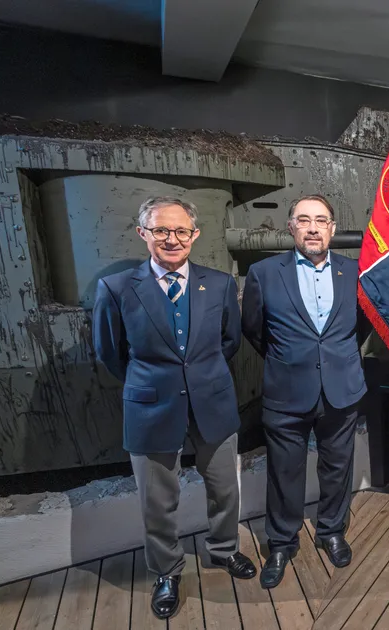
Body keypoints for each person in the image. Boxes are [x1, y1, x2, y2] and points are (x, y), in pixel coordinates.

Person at [92, 196, 256, 620]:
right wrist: (155, 382)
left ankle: (223, 549)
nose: (172, 239)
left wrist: (198, 377)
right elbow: (110, 352)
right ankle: (166, 571)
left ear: (195, 235)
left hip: (213, 402)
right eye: (161, 230)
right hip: (150, 407)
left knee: (225, 487)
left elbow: (229, 341)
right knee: (158, 501)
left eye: (181, 230)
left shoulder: (219, 284)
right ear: (143, 233)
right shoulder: (116, 288)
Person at [242, 194, 371, 588]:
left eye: (321, 220)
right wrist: (290, 359)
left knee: (337, 467)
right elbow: (254, 329)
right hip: (287, 392)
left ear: (332, 228)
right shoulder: (264, 273)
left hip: (341, 389)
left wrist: (334, 358)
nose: (313, 228)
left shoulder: (354, 272)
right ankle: (281, 543)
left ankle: (332, 530)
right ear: (291, 227)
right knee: (284, 472)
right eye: (304, 220)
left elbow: (361, 325)